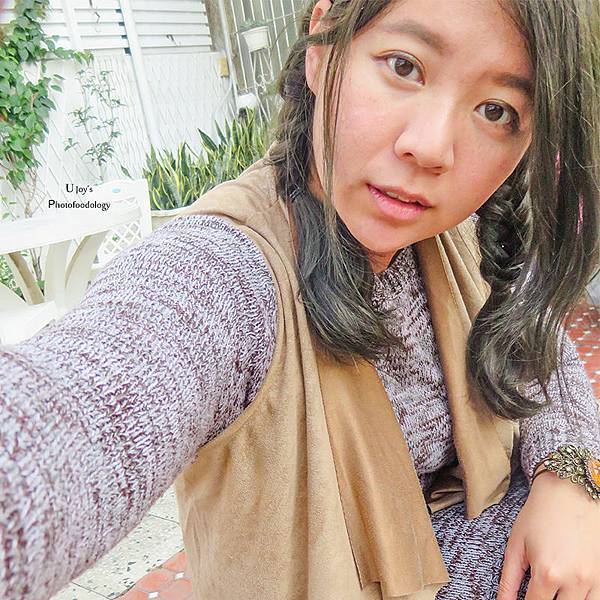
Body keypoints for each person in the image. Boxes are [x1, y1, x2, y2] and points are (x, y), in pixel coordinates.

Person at [1, 0, 600, 598]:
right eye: (404, 66)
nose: (431, 147)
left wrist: (569, 476)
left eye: (495, 110)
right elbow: (71, 421)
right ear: (322, 47)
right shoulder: (225, 276)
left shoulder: (457, 236)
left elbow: (535, 344)